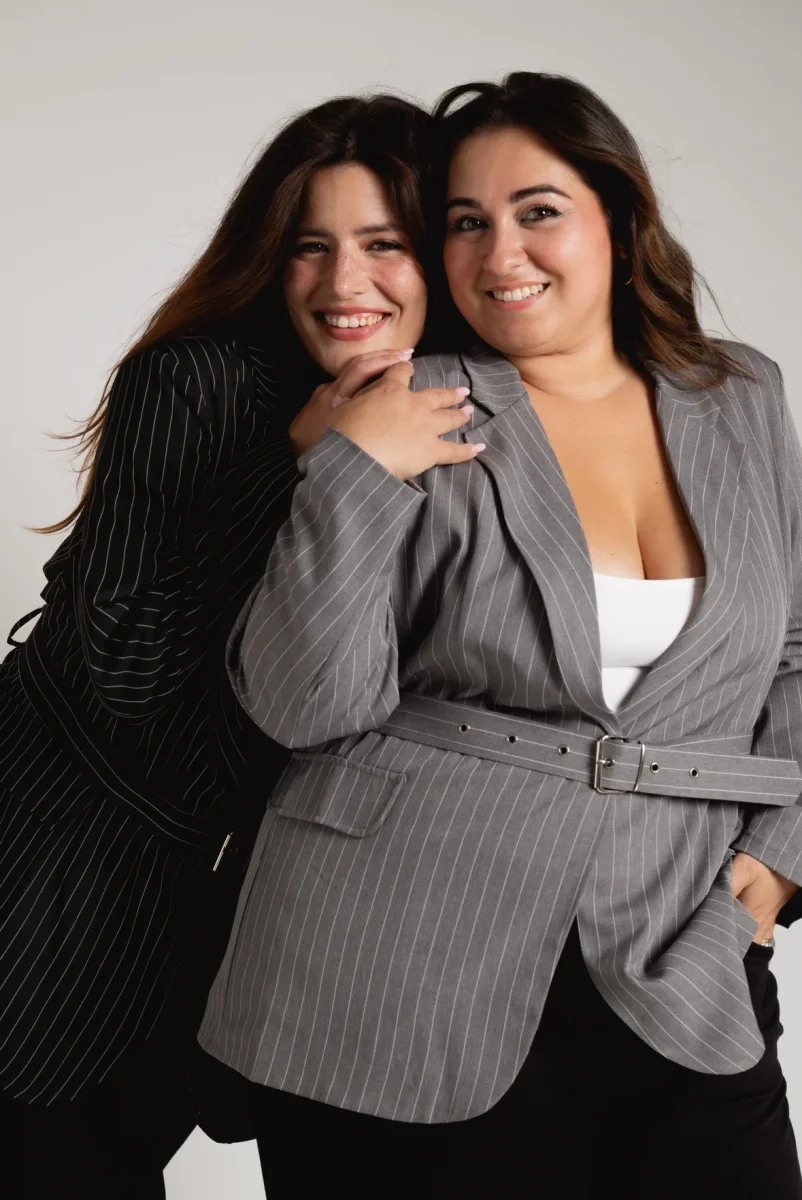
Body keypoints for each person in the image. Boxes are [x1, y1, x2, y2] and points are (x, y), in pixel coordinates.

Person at [198, 73, 802, 1198]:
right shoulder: (406, 397)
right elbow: (305, 704)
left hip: (676, 946)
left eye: (538, 211)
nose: (499, 253)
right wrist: (352, 471)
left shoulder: (741, 395)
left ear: (619, 221)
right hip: (398, 945)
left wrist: (779, 855)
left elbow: (794, 649)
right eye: (465, 222)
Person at [0, 92, 435, 1198]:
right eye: (309, 247)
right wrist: (305, 460)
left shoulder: (461, 421)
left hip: (229, 925)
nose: (344, 283)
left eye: (385, 244)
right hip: (49, 880)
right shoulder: (195, 381)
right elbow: (127, 667)